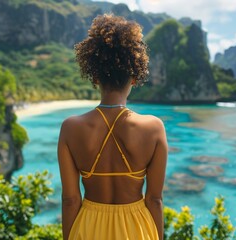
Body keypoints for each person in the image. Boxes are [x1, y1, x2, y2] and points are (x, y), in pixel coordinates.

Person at [58, 14, 168, 240]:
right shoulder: (154, 128)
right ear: (134, 78)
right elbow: (154, 199)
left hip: (89, 228)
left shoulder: (70, 128)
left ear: (95, 76)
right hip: (137, 229)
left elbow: (70, 200)